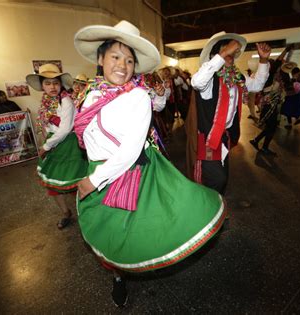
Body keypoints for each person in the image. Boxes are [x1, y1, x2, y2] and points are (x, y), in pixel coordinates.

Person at [73, 20, 225, 307]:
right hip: (99, 170)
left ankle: (125, 270)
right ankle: (118, 277)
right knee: (107, 232)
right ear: (100, 59)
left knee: (135, 230)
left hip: (125, 173)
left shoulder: (138, 97)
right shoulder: (91, 94)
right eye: (115, 57)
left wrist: (94, 179)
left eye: (129, 60)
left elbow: (130, 149)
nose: (122, 65)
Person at [187, 31, 270, 195]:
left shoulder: (237, 76)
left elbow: (257, 85)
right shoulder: (209, 77)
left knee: (222, 176)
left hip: (225, 137)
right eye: (227, 49)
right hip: (209, 138)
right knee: (216, 179)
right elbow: (196, 82)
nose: (231, 53)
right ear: (216, 53)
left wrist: (264, 60)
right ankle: (208, 210)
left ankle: (216, 206)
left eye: (232, 50)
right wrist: (223, 53)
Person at [25, 64, 88, 229]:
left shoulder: (65, 101)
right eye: (47, 83)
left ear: (60, 84)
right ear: (42, 86)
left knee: (74, 182)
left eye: (55, 83)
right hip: (54, 143)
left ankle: (86, 215)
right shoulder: (47, 101)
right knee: (52, 185)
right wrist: (47, 139)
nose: (52, 87)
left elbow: (65, 129)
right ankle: (66, 213)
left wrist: (46, 146)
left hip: (68, 145)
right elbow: (46, 124)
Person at [249, 64, 292, 155]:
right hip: (270, 106)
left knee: (270, 127)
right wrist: (276, 90)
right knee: (271, 128)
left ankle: (256, 141)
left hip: (271, 106)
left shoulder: (276, 78)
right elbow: (267, 91)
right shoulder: (275, 79)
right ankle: (264, 147)